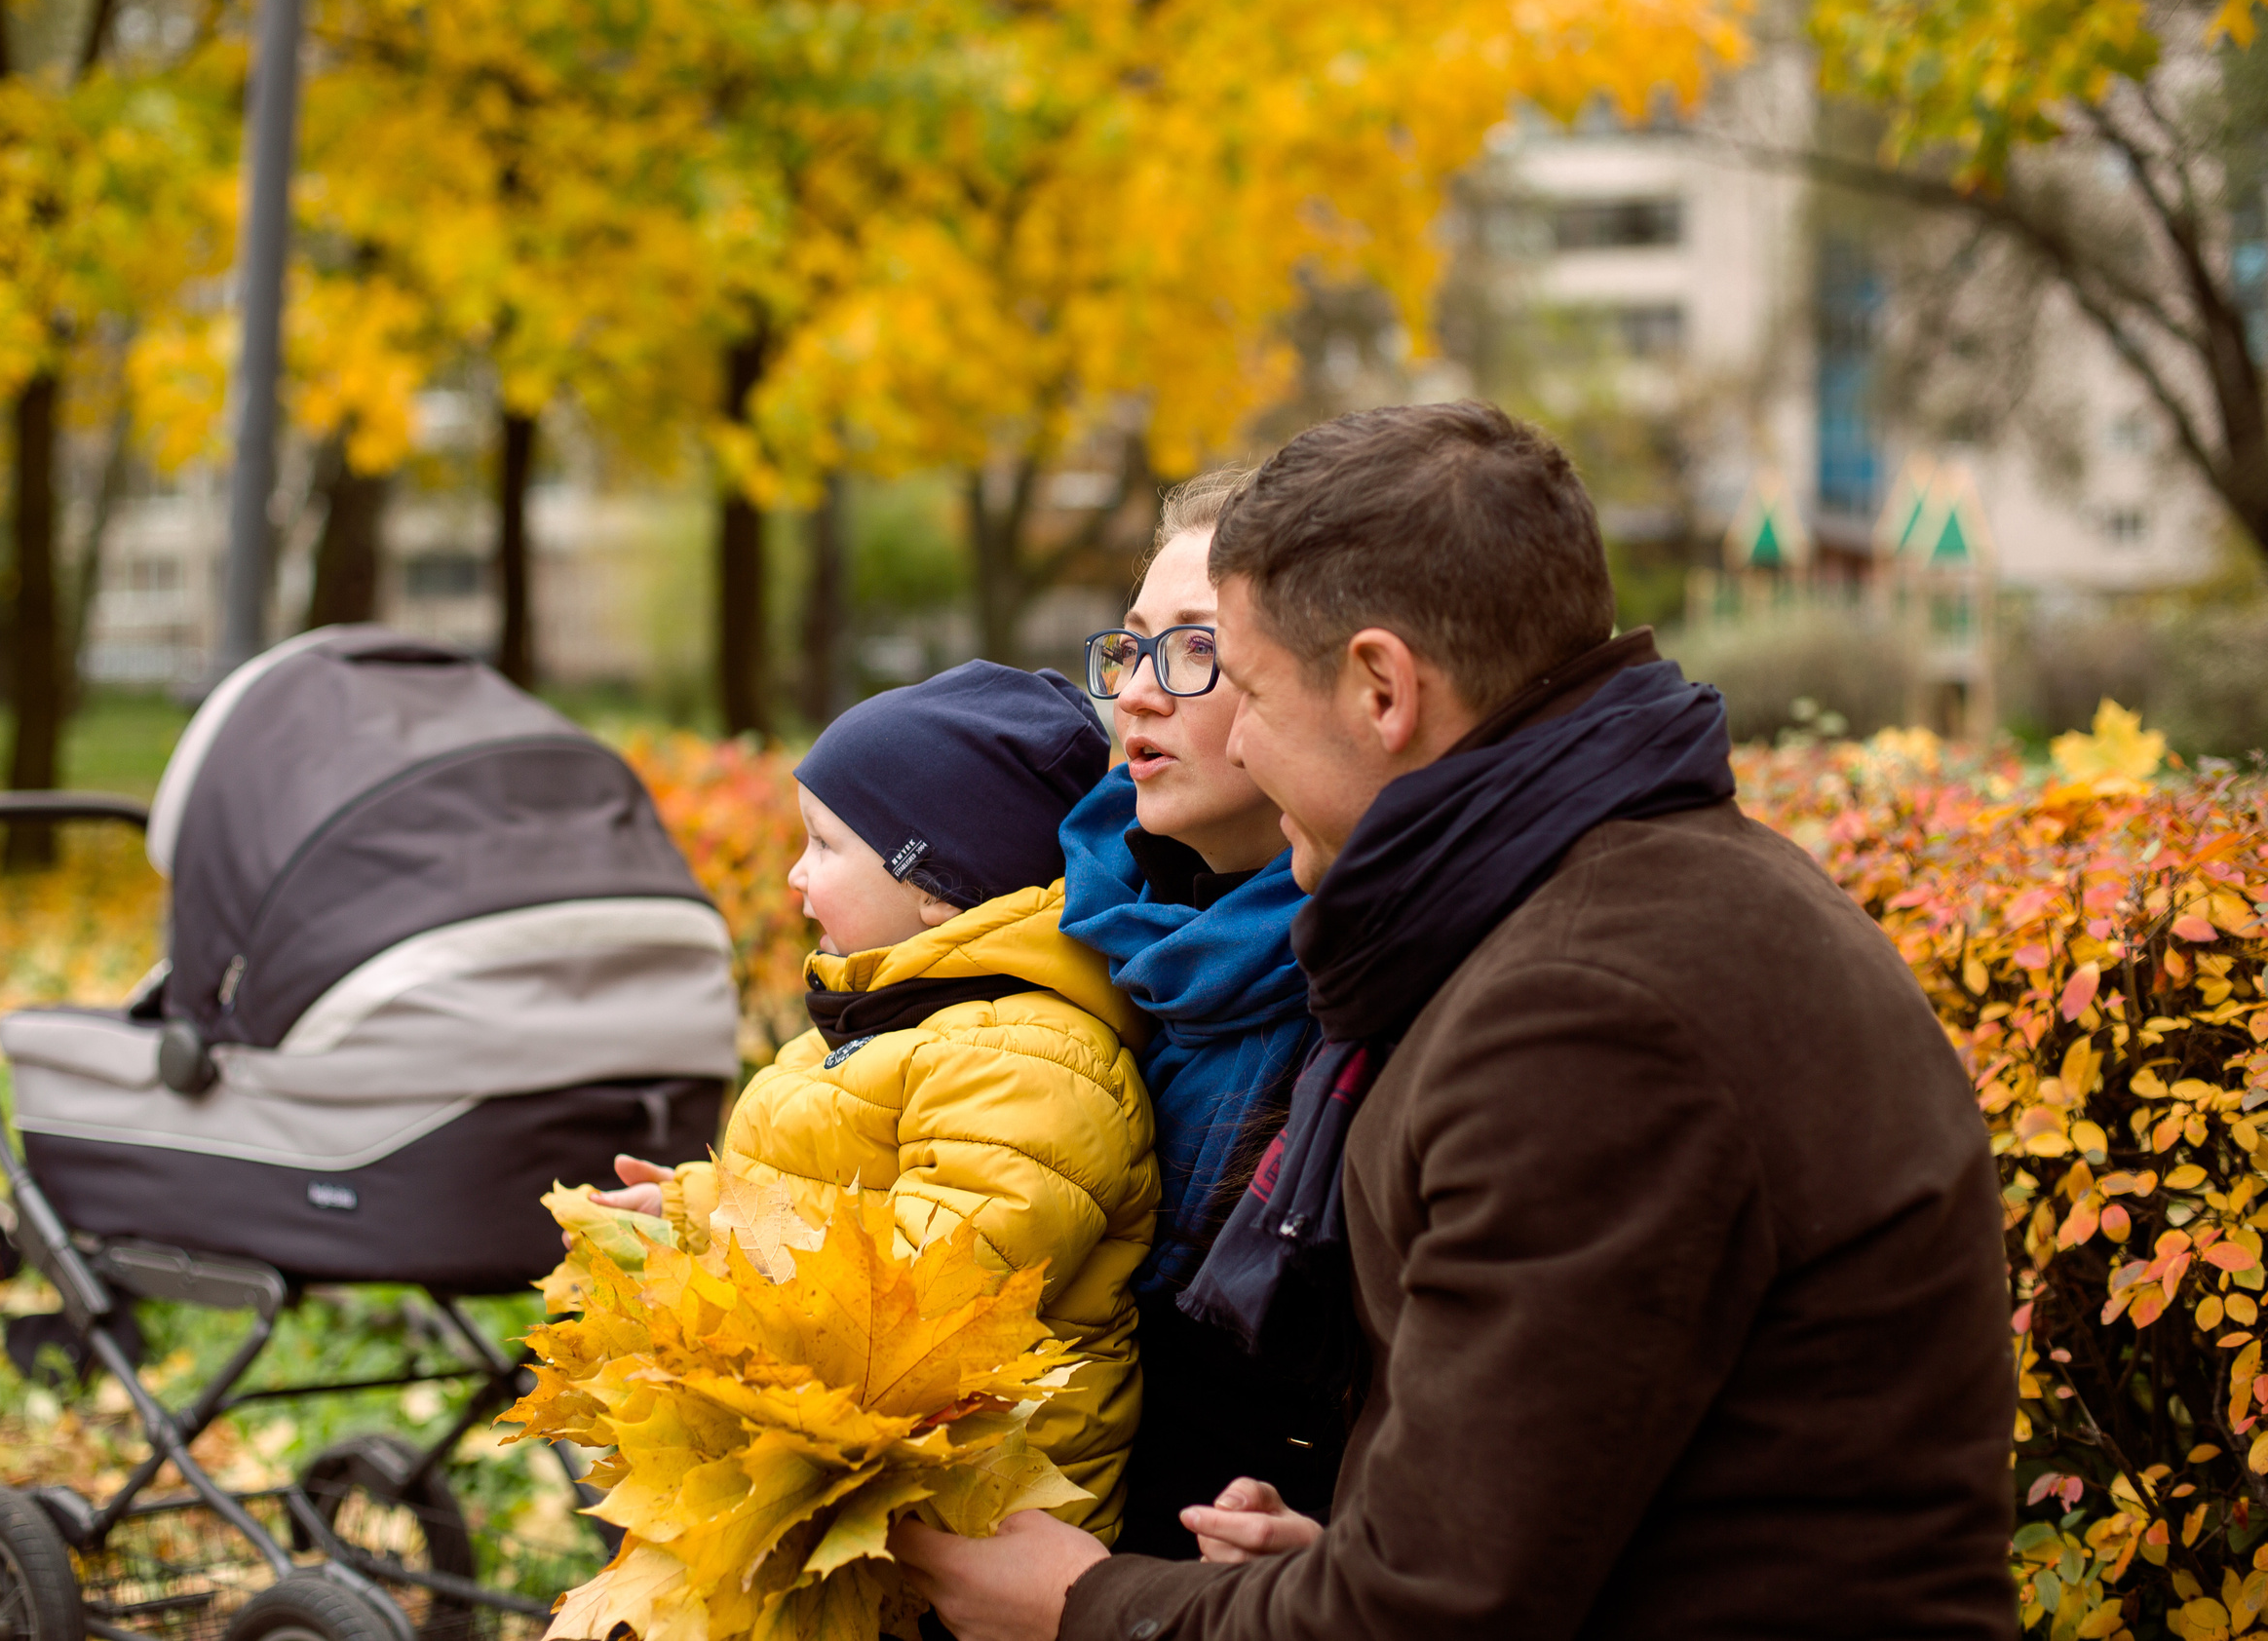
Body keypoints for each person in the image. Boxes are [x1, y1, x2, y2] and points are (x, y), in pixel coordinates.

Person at [892, 401, 2017, 1638]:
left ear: (1382, 687)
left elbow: (1432, 1618)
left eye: (1249, 689)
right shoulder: (1616, 905)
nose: (1245, 748)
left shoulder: (1583, 1013)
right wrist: (1328, 1556)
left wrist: (1082, 1606)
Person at [594, 659, 1160, 1541]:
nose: (793, 874)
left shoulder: (1032, 1061)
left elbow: (917, 1293)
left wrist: (719, 1214)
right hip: (865, 1500)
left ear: (935, 883)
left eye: (824, 844)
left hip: (967, 1528)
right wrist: (691, 1209)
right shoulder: (903, 1025)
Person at [1058, 472, 1346, 1557]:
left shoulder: (1372, 986)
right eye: (1132, 647)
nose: (1134, 693)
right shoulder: (1062, 913)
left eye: (1193, 651)